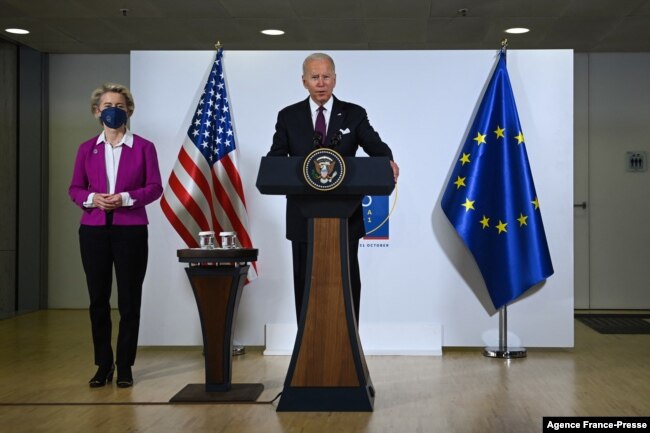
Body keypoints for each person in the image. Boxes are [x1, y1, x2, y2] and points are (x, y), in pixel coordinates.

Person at [267, 52, 399, 323]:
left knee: (346, 284)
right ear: (304, 81)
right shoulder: (288, 116)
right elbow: (276, 158)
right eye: (314, 77)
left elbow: (376, 147)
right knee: (305, 283)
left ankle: (349, 347)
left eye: (326, 76)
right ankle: (306, 347)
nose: (321, 82)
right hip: (303, 218)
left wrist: (389, 161)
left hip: (345, 218)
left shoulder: (354, 114)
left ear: (335, 79)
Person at [68, 83, 163, 388]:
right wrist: (92, 198)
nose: (113, 110)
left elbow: (154, 187)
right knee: (98, 299)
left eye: (120, 106)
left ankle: (125, 366)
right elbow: (75, 188)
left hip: (131, 230)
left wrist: (123, 198)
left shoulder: (144, 147)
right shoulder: (86, 148)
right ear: (97, 111)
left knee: (129, 301)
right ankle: (103, 364)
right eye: (108, 105)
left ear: (129, 111)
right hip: (93, 231)